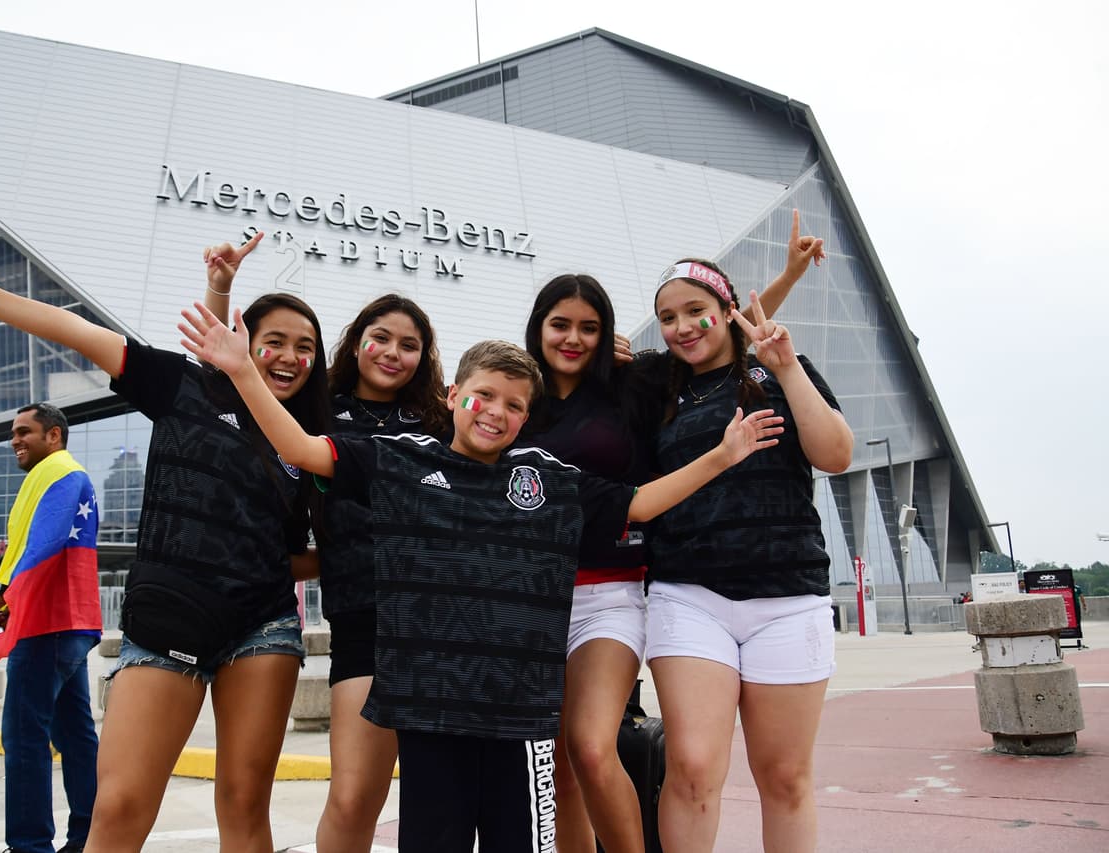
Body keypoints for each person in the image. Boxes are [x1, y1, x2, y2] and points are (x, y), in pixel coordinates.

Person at [180, 292, 783, 850]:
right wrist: (241, 373)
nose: (496, 413)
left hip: (519, 724)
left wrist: (724, 455)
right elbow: (303, 449)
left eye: (515, 406)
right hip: (428, 714)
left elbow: (639, 503)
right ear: (451, 396)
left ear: (527, 418)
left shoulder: (546, 478)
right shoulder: (400, 461)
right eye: (484, 396)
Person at [0, 233, 328, 853]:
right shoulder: (181, 386)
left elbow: (287, 550)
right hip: (166, 625)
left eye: (306, 348)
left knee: (244, 803)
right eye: (277, 341)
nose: (291, 356)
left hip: (263, 628)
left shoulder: (304, 439)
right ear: (241, 338)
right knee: (122, 806)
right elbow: (76, 331)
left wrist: (340, 561)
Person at [519, 210, 823, 853]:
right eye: (561, 325)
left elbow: (724, 325)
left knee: (599, 749)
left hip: (636, 590)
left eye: (590, 328)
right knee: (572, 767)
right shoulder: (523, 396)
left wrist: (789, 275)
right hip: (551, 594)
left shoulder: (635, 383)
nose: (574, 338)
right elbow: (703, 324)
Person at [200, 239, 449, 851]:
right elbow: (229, 388)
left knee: (437, 793)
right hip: (362, 620)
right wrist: (222, 288)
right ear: (357, 339)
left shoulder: (444, 423)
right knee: (354, 794)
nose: (393, 352)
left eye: (410, 345)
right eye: (382, 337)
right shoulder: (318, 414)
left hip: (441, 624)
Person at [640, 258, 853, 853]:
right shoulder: (660, 388)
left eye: (694, 311)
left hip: (789, 597)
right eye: (667, 318)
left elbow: (836, 455)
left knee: (785, 777)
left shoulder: (780, 367)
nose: (682, 327)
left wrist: (785, 366)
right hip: (689, 596)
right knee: (694, 769)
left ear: (726, 310)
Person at [0, 403, 103, 853]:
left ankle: (30, 844)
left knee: (24, 736)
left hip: (46, 622)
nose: (15, 440)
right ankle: (89, 836)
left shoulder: (58, 473)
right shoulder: (55, 476)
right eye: (12, 432)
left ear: (54, 436)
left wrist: (4, 591)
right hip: (68, 622)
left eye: (23, 432)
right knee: (74, 734)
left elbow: (45, 545)